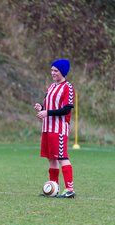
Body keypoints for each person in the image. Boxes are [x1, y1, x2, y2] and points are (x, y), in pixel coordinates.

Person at [34, 59, 76, 198]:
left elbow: (66, 109)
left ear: (62, 72)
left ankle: (70, 189)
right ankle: (54, 188)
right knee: (51, 158)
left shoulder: (68, 87)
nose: (53, 73)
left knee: (62, 157)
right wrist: (42, 108)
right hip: (47, 128)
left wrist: (48, 113)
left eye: (56, 71)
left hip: (58, 129)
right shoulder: (51, 87)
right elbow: (49, 107)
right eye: (51, 70)